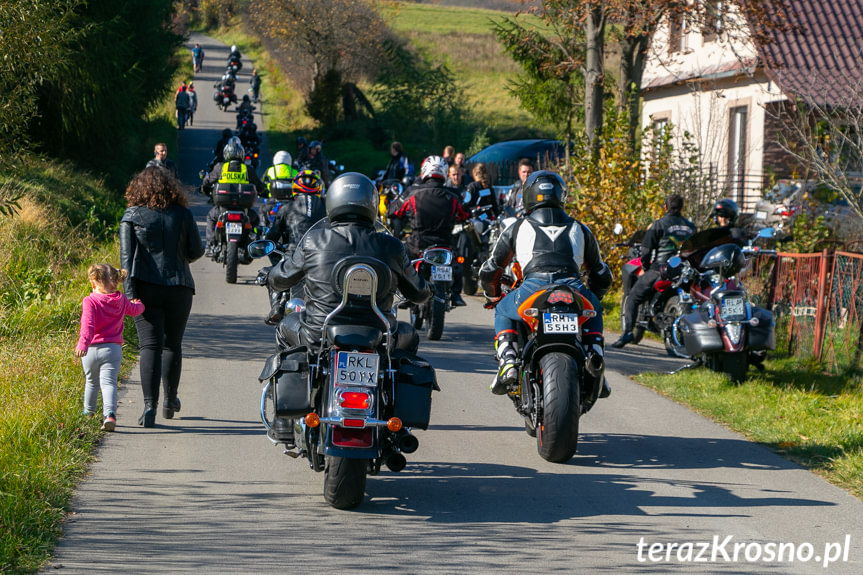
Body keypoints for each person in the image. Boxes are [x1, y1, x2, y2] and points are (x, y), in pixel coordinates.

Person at [479, 170, 612, 395]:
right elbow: (601, 274)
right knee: (594, 309)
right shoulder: (580, 228)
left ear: (527, 195)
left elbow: (490, 269)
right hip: (573, 287)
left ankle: (509, 361)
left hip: (532, 288)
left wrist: (493, 296)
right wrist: (593, 299)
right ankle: (594, 356)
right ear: (562, 195)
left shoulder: (517, 227)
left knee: (502, 309)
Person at [265, 172, 431, 349]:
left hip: (318, 335)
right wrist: (430, 288)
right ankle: (391, 376)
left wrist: (268, 274)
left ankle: (299, 375)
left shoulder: (313, 240)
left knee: (284, 327)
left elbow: (280, 279)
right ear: (372, 204)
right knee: (409, 334)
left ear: (333, 201)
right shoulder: (393, 246)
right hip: (379, 337)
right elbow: (419, 293)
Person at [120, 167, 204, 427]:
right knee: (172, 345)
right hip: (179, 287)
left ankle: (149, 408)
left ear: (139, 187)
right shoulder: (183, 214)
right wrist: (181, 259)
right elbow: (197, 250)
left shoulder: (131, 216)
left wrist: (130, 294)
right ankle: (170, 399)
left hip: (145, 287)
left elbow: (126, 259)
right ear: (171, 188)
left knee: (149, 346)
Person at [612, 193, 697, 349]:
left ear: (665, 207)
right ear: (682, 208)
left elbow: (645, 250)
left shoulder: (659, 224)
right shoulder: (691, 227)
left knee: (632, 297)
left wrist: (646, 267)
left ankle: (627, 333)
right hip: (685, 271)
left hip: (661, 270)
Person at [391, 155, 469, 307]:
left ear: (424, 171)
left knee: (402, 255)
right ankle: (456, 293)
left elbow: (394, 211)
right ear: (445, 172)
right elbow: (464, 214)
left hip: (418, 244)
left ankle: (407, 293)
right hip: (445, 244)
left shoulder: (412, 192)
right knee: (458, 255)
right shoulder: (453, 195)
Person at [75, 264, 145, 431]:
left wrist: (83, 343)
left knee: (91, 381)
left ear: (94, 282)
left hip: (90, 349)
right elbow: (135, 310)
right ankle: (110, 415)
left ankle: (89, 413)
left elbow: (88, 325)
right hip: (112, 349)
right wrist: (140, 304)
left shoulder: (90, 301)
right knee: (109, 383)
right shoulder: (120, 300)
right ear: (115, 282)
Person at [263, 169, 327, 324]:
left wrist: (275, 262)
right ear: (319, 188)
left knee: (272, 275)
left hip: (295, 256)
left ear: (295, 187)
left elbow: (271, 238)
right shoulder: (328, 208)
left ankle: (277, 306)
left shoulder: (286, 208)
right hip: (323, 257)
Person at [201, 138, 266, 255]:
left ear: (226, 154)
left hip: (223, 208)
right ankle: (254, 243)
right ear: (242, 154)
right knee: (256, 220)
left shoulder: (220, 167)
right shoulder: (247, 169)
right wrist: (264, 191)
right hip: (243, 209)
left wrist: (204, 189)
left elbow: (207, 181)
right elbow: (259, 185)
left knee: (211, 217)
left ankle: (210, 245)